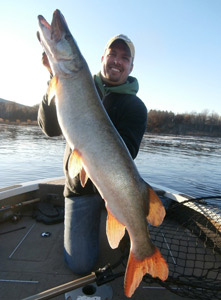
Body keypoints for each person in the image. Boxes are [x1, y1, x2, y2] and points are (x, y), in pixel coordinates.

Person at [38, 34, 147, 274]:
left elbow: (128, 152)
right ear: (102, 58)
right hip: (81, 189)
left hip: (115, 189)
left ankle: (138, 249)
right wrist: (52, 77)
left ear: (130, 66)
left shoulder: (135, 107)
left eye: (124, 58)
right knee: (80, 264)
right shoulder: (76, 84)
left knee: (132, 236)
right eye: (112, 55)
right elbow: (49, 128)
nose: (117, 61)